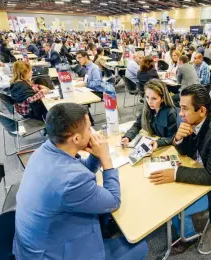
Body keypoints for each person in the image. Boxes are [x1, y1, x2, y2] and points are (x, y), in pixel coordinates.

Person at [13, 103, 148, 260]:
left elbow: (81, 169)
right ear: (76, 138)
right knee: (140, 246)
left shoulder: (44, 150)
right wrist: (106, 159)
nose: (93, 132)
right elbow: (114, 201)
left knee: (105, 217)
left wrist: (96, 155)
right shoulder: (71, 180)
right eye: (89, 128)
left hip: (36, 243)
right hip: (52, 254)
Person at [148, 84, 211, 254]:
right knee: (167, 189)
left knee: (174, 205)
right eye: (180, 108)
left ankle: (188, 237)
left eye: (184, 109)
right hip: (203, 167)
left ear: (201, 110)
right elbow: (188, 151)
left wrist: (175, 174)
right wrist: (179, 138)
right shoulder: (197, 119)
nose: (180, 114)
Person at [121, 79, 177, 149]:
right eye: (147, 97)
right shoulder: (147, 108)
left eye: (154, 98)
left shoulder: (170, 113)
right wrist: (128, 137)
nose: (149, 102)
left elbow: (172, 137)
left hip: (165, 147)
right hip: (152, 143)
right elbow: (137, 125)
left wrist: (158, 142)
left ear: (162, 98)